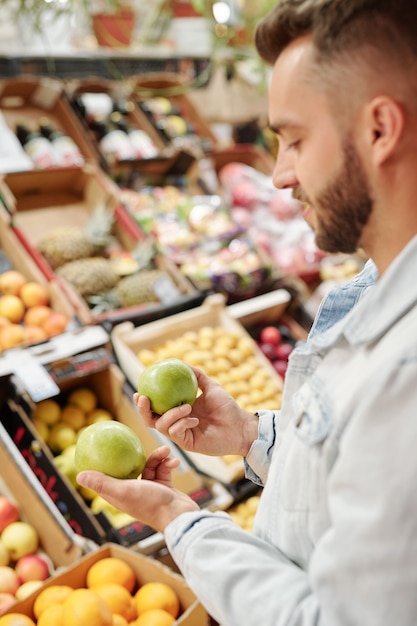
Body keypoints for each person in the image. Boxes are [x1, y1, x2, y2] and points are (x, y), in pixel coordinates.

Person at [77, 1, 417, 623]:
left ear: (380, 129)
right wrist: (256, 438)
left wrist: (179, 521)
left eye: (293, 140)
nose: (280, 176)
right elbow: (345, 480)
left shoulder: (404, 372)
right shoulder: (376, 290)